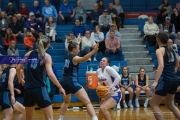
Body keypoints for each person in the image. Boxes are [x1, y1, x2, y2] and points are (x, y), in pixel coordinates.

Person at [16, 35, 66, 120]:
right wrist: (60, 87)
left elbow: (18, 68)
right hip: (39, 89)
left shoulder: (29, 53)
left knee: (28, 118)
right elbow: (50, 74)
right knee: (49, 118)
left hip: (28, 90)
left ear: (37, 44)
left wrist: (20, 79)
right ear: (48, 45)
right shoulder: (46, 57)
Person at [58, 41, 99, 120]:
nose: (79, 50)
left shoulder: (68, 56)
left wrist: (79, 41)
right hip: (71, 81)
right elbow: (83, 59)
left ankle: (60, 118)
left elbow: (72, 46)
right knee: (87, 102)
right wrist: (94, 51)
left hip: (63, 82)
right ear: (74, 50)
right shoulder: (75, 58)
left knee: (66, 102)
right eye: (78, 49)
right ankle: (95, 118)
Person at [150, 32, 180, 120]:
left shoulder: (159, 50)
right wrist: (170, 70)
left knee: (153, 104)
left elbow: (161, 65)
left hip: (165, 80)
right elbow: (176, 64)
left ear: (158, 39)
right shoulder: (171, 49)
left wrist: (155, 82)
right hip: (174, 79)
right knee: (170, 104)